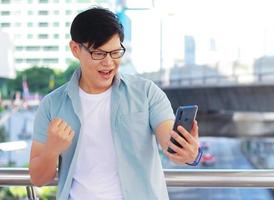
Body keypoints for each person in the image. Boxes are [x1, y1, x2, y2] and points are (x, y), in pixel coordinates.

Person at [29, 7, 201, 200]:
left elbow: (169, 141)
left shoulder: (146, 93)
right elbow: (38, 179)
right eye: (99, 54)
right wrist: (52, 150)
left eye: (116, 52)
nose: (109, 62)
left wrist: (190, 153)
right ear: (76, 49)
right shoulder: (52, 105)